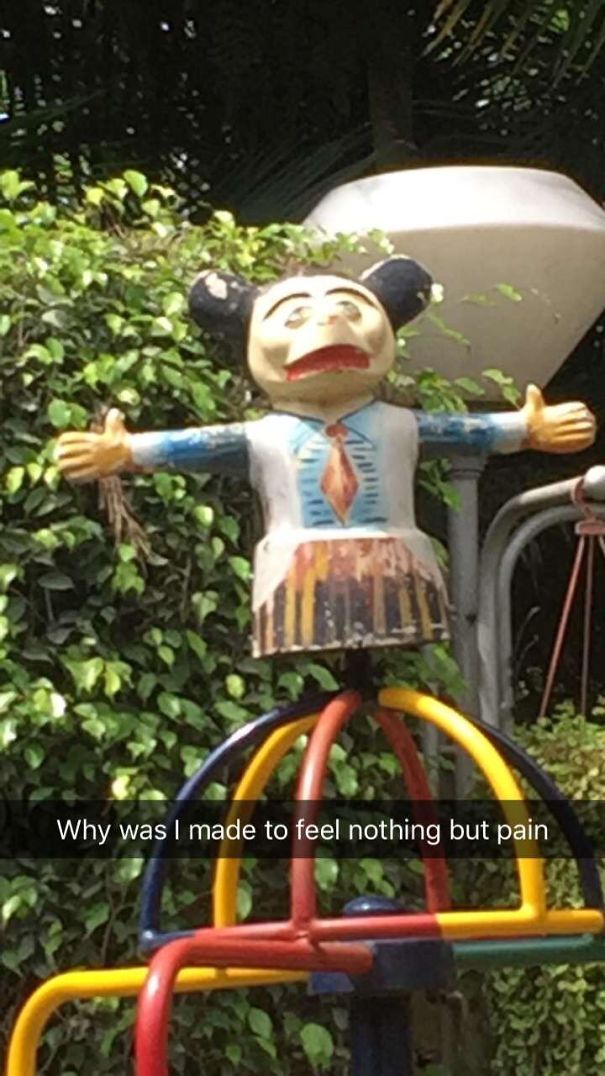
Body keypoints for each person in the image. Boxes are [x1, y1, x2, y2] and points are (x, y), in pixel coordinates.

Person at [56, 258, 596, 657]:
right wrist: (125, 451)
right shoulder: (266, 436)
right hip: (297, 577)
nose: (331, 323)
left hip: (395, 569)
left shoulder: (400, 426)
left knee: (394, 642)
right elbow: (195, 446)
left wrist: (528, 428)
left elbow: (470, 431)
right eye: (293, 317)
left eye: (350, 309)